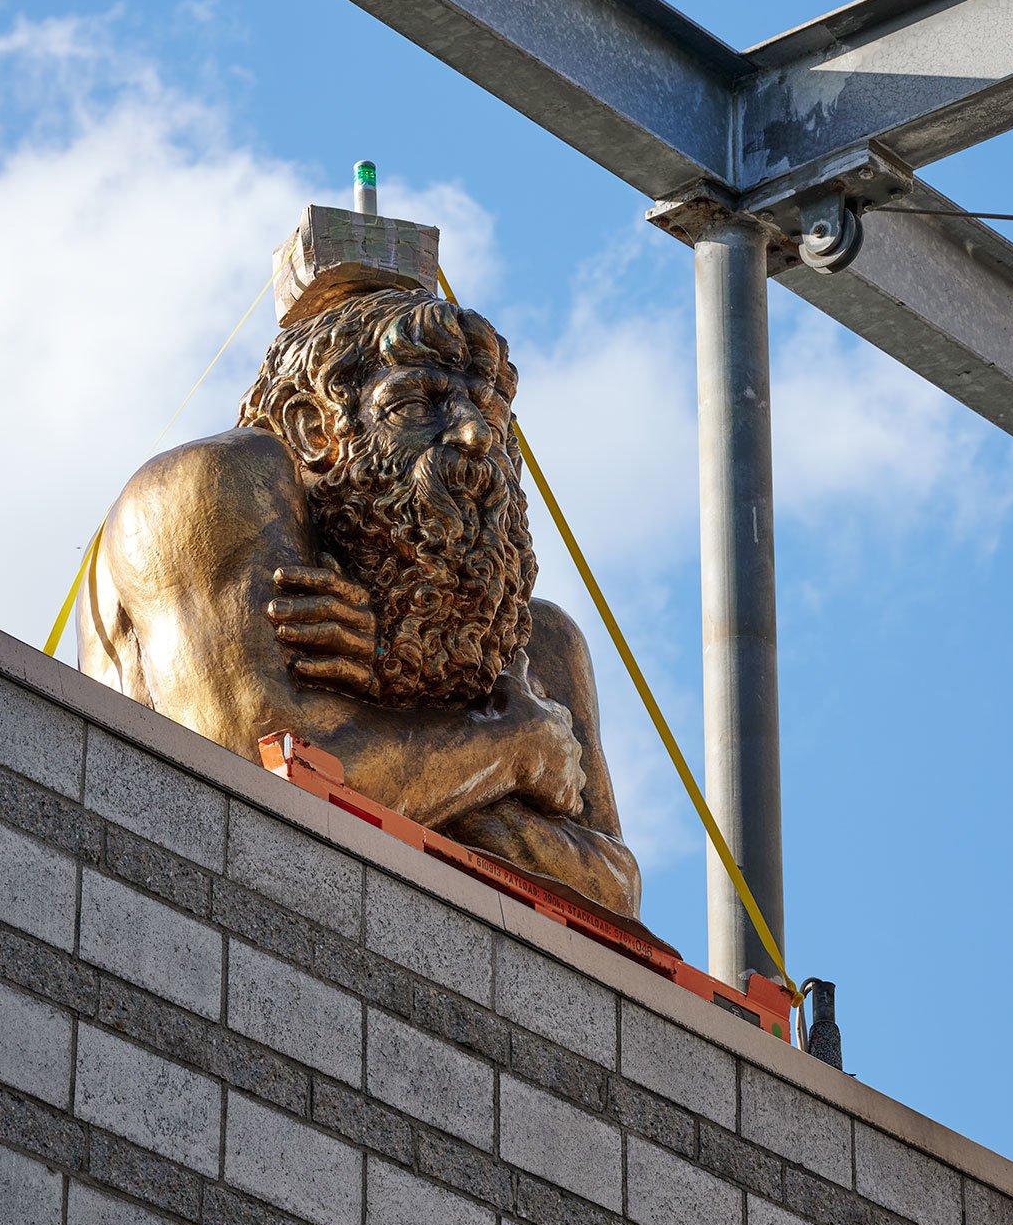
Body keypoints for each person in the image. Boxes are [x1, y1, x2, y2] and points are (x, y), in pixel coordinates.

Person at [80, 284, 641, 918]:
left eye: (490, 410)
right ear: (313, 424)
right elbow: (265, 790)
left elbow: (615, 890)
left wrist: (405, 707)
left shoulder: (534, 638)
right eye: (416, 403)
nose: (473, 434)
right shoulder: (208, 488)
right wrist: (514, 747)